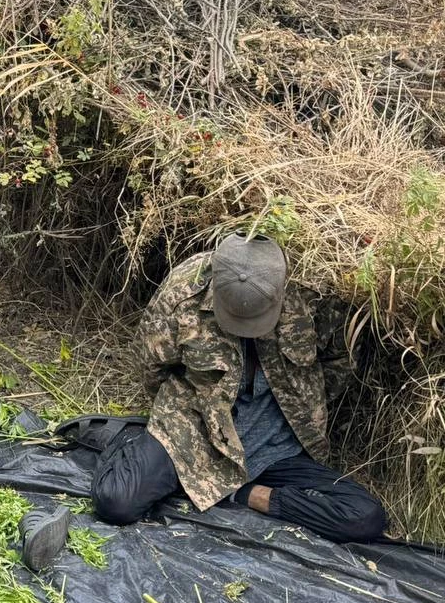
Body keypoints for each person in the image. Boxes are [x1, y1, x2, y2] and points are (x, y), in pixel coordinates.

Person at [91, 233, 386, 544]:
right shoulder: (183, 291)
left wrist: (305, 410)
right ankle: (145, 448)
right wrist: (175, 425)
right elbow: (153, 366)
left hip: (278, 447)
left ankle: (239, 493)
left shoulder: (315, 294)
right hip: (196, 433)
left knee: (364, 517)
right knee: (116, 502)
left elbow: (340, 361)